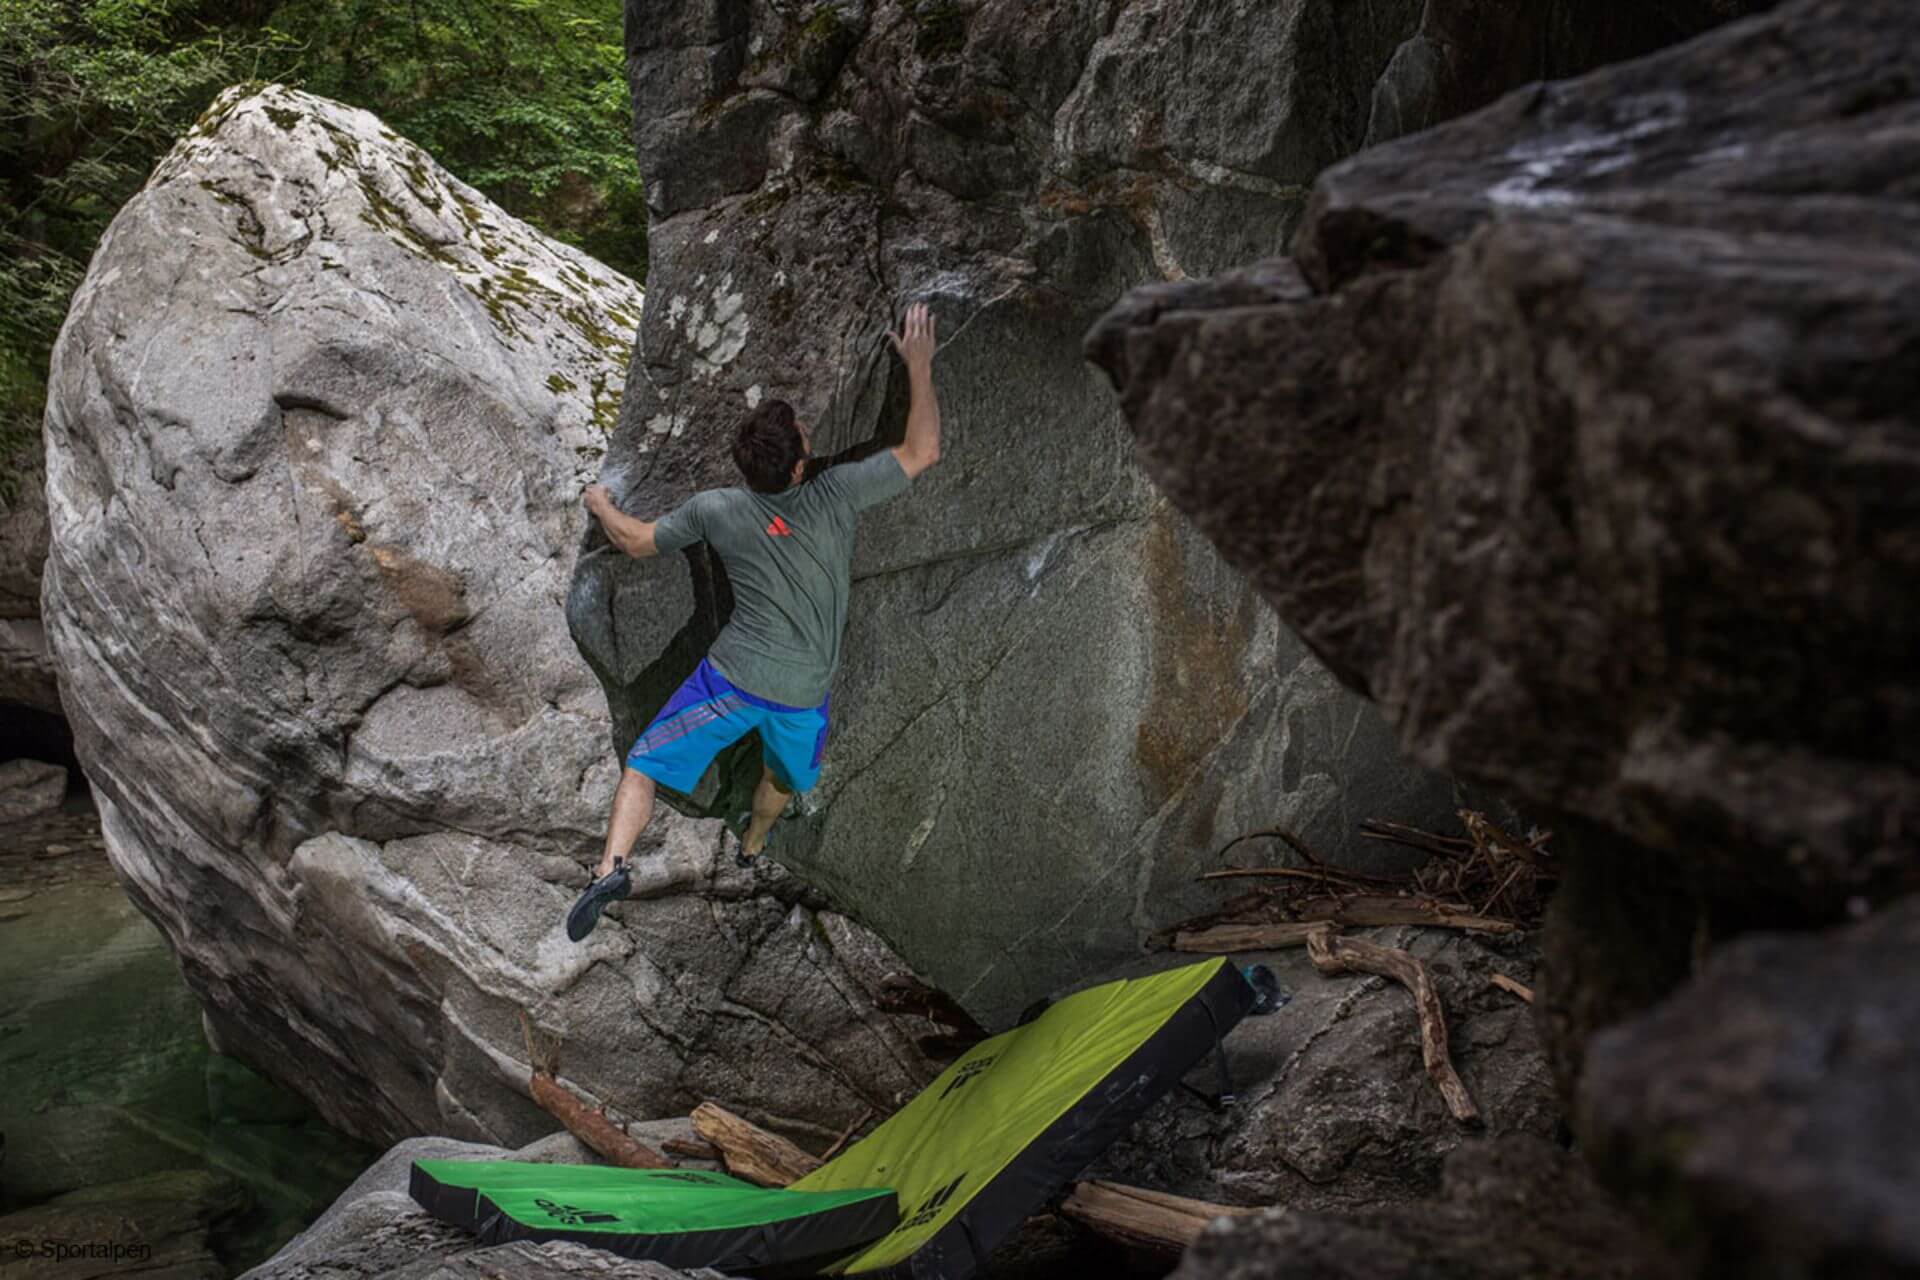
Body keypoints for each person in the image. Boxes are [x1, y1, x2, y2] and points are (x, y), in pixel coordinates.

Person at [566, 302, 941, 940]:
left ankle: (610, 867)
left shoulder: (717, 510)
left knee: (645, 763)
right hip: (802, 693)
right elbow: (922, 450)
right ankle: (752, 844)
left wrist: (601, 503)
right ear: (799, 467)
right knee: (782, 778)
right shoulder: (835, 493)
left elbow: (635, 541)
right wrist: (919, 364)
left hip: (731, 678)